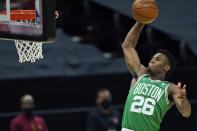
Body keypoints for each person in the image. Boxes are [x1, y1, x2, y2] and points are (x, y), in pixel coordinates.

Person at [121, 21, 191, 131]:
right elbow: (127, 46)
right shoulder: (140, 75)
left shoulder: (170, 88)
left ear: (166, 67)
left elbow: (186, 113)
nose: (152, 60)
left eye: (158, 59)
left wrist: (183, 100)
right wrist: (140, 22)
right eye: (152, 58)